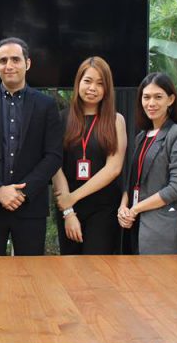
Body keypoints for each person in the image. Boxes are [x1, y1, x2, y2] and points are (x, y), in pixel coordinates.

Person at [0, 37, 63, 255]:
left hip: (30, 208)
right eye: (3, 60)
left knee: (30, 273)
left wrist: (22, 193)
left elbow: (54, 155)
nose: (9, 65)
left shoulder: (46, 105)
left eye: (15, 60)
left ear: (28, 63)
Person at [51, 57, 127, 254]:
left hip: (104, 208)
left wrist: (72, 197)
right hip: (69, 209)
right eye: (88, 81)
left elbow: (114, 168)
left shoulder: (116, 120)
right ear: (78, 82)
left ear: (107, 88)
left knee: (97, 267)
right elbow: (55, 166)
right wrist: (68, 211)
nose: (93, 88)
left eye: (100, 83)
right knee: (70, 266)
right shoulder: (61, 118)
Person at [118, 72, 177, 254]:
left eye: (158, 97)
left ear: (171, 100)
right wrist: (123, 207)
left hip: (161, 228)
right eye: (146, 97)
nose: (151, 103)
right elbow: (133, 181)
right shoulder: (141, 136)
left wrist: (136, 208)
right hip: (133, 224)